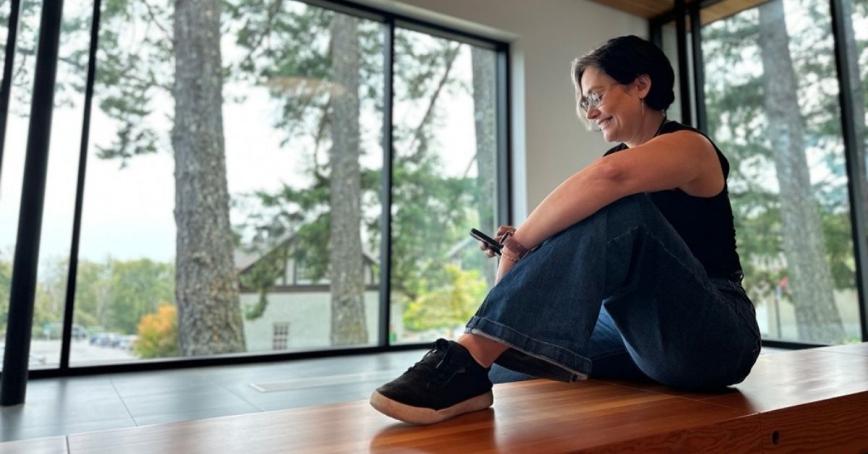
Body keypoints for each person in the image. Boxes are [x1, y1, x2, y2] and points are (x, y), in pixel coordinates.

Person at [369, 35, 761, 425]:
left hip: (716, 335)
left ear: (641, 85)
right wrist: (519, 252)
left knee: (612, 206)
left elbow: (611, 177)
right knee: (505, 363)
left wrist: (521, 241)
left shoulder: (690, 146)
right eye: (584, 102)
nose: (589, 113)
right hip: (636, 334)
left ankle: (466, 353)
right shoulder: (614, 163)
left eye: (595, 96)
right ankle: (472, 362)